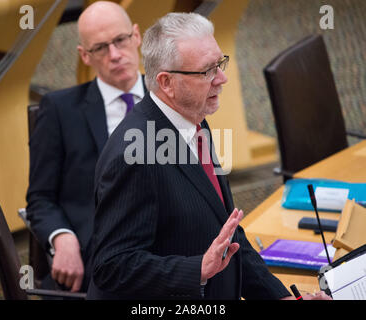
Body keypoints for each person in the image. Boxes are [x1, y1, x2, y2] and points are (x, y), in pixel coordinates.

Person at [87, 12, 331, 300]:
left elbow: (226, 230)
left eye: (220, 63)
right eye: (207, 71)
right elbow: (111, 266)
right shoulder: (133, 157)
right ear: (166, 83)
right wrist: (197, 270)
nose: (222, 78)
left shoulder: (195, 119)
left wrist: (281, 297)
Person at [26, 1, 146, 293]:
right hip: (96, 258)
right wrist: (62, 237)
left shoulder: (172, 98)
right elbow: (40, 199)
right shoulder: (59, 110)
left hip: (166, 252)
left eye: (120, 40)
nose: (115, 55)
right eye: (101, 48)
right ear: (85, 56)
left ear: (137, 36)